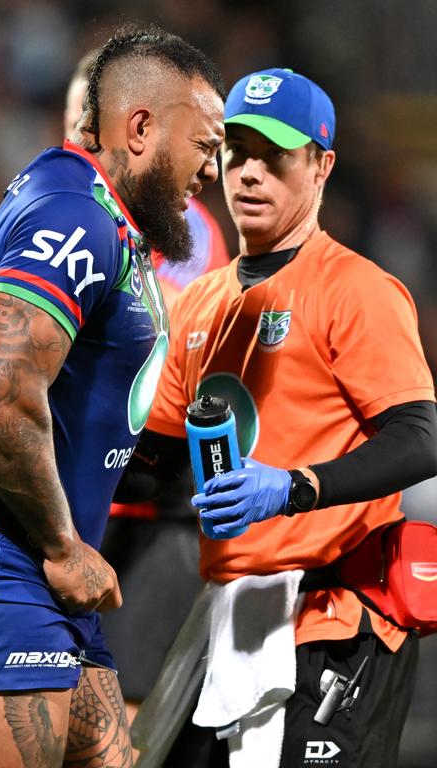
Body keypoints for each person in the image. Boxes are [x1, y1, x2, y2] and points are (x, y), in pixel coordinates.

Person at [0, 26, 225, 768]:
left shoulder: (69, 200)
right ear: (140, 129)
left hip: (31, 575)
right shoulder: (78, 219)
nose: (212, 170)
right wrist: (49, 540)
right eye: (203, 145)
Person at [117, 69, 437, 767]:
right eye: (238, 153)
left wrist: (293, 487)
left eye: (276, 156)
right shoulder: (197, 304)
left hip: (338, 620)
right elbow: (155, 470)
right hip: (229, 617)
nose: (251, 174)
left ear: (321, 165)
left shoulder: (358, 291)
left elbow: (420, 439)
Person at [65, 50, 231, 730]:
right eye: (76, 116)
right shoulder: (60, 215)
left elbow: (174, 345)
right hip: (78, 510)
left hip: (155, 514)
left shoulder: (187, 229)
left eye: (92, 117)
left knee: (120, 713)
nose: (82, 132)